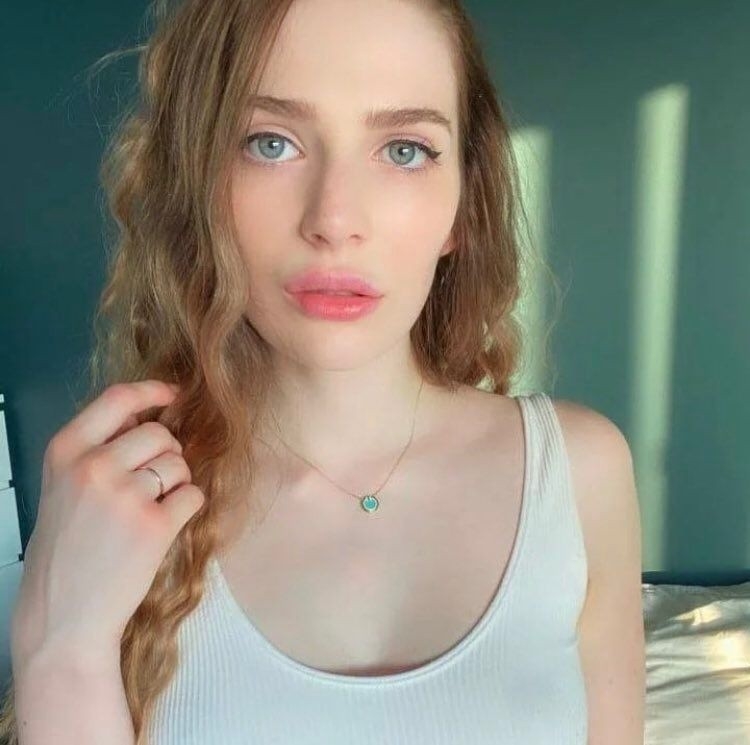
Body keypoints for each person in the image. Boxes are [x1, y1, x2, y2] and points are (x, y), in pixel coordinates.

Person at [2, 0, 646, 743]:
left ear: (463, 205)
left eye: (404, 150)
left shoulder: (581, 472)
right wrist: (59, 648)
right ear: (196, 183)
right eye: (270, 143)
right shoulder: (120, 502)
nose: (335, 220)